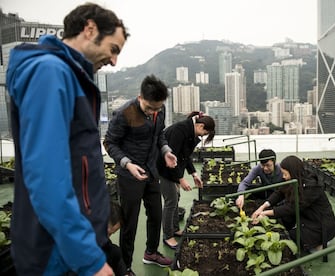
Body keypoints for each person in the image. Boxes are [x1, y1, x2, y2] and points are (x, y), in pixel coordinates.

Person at [5, 3, 128, 275]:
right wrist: (88, 259)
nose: (114, 61)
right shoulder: (50, 72)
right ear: (89, 29)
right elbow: (47, 177)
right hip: (56, 252)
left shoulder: (70, 76)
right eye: (113, 49)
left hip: (68, 246)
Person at [103, 75, 177, 274]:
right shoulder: (125, 113)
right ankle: (125, 266)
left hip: (151, 172)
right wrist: (128, 165)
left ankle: (151, 252)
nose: (154, 112)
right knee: (129, 222)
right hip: (129, 176)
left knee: (156, 214)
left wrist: (166, 151)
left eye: (157, 108)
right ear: (140, 97)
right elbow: (109, 143)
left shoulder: (158, 111)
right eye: (149, 108)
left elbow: (159, 134)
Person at [251, 155, 335, 252]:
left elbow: (291, 208)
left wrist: (265, 213)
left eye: (285, 174)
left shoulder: (311, 187)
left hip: (320, 225)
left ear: (293, 172)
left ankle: (320, 243)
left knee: (289, 240)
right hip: (306, 217)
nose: (283, 177)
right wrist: (263, 207)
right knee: (283, 221)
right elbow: (280, 192)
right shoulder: (296, 178)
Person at [157, 111, 215, 249]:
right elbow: (173, 156)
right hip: (163, 167)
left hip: (174, 168)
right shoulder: (180, 130)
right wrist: (181, 179)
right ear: (200, 126)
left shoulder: (189, 131)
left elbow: (185, 156)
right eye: (204, 133)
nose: (202, 136)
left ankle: (175, 229)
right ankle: (168, 236)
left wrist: (194, 174)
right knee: (171, 200)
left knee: (176, 197)